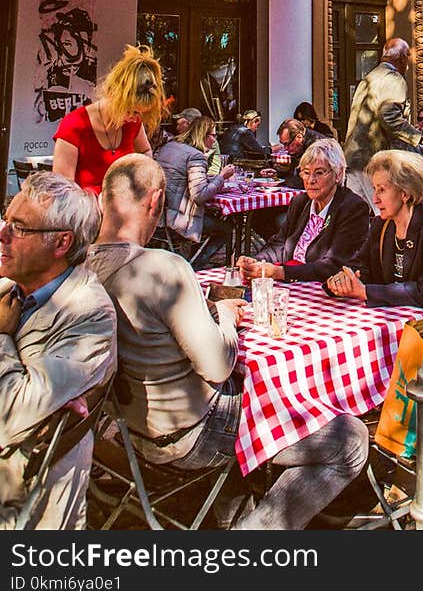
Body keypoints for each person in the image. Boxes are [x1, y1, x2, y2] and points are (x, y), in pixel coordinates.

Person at [88, 155, 368, 530]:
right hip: (189, 433)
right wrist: (222, 317)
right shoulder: (162, 268)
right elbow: (219, 364)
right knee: (350, 438)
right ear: (155, 201)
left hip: (127, 424)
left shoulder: (82, 265)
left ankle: (233, 501)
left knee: (262, 384)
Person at [0, 173, 116, 529]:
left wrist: (3, 337)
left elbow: (9, 413)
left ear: (62, 242)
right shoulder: (11, 285)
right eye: (5, 219)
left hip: (20, 491)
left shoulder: (89, 314)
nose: (2, 234)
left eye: (18, 228)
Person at [325, 149, 423, 309]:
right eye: (374, 189)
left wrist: (366, 292)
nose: (374, 199)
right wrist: (344, 278)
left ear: (405, 193)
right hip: (398, 317)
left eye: (382, 190)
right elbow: (362, 263)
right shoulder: (381, 224)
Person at [237, 139, 370, 284]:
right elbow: (279, 245)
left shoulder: (353, 208)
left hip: (320, 293)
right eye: (306, 172)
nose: (311, 180)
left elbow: (334, 265)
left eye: (319, 173)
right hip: (291, 286)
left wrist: (280, 272)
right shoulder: (300, 202)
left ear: (337, 175)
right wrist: (256, 262)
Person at [51, 43, 162, 196]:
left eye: (140, 114)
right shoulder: (74, 125)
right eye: (131, 111)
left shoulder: (133, 123)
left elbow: (145, 151)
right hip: (86, 215)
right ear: (114, 94)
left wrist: (144, 180)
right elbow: (62, 190)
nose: (135, 118)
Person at [342, 39, 423, 211]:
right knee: (385, 212)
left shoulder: (369, 77)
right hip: (374, 158)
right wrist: (418, 138)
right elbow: (389, 115)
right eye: (407, 58)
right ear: (402, 59)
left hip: (353, 155)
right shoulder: (394, 79)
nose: (407, 64)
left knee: (356, 216)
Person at [155, 112, 237, 265]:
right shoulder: (196, 156)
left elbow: (182, 179)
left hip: (159, 217)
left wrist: (213, 179)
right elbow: (199, 195)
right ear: (204, 135)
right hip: (178, 220)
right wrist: (221, 177)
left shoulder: (170, 146)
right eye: (213, 135)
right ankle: (194, 265)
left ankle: (188, 260)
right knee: (227, 227)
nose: (215, 140)